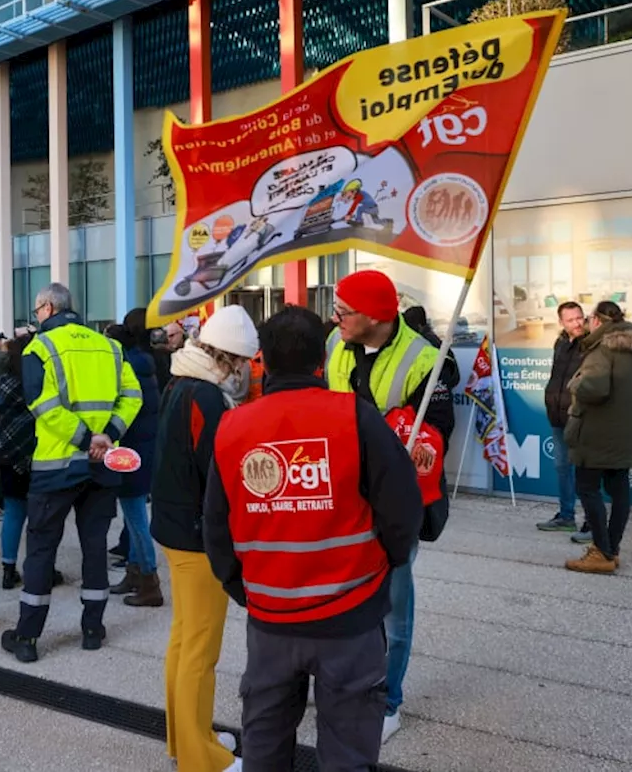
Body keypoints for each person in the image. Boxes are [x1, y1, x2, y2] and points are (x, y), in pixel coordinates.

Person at [205, 306, 424, 771]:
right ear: (322, 363)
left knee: (264, 742)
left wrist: (242, 589)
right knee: (347, 750)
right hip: (350, 616)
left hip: (269, 620)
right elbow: (403, 509)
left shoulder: (233, 427)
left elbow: (215, 527)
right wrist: (387, 565)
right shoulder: (356, 418)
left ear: (262, 358)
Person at [325, 269, 456, 744]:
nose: (334, 317)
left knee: (393, 606)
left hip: (398, 500)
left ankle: (388, 702)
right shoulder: (334, 345)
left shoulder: (425, 359)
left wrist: (397, 439)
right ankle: (346, 686)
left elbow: (438, 429)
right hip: (344, 494)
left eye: (343, 310)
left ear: (376, 316)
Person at [0, 282, 143, 664]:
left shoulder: (40, 347)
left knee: (41, 551)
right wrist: (108, 435)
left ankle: (27, 637)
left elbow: (41, 404)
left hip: (56, 467)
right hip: (102, 466)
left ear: (46, 307)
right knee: (95, 548)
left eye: (36, 310)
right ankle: (93, 630)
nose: (36, 317)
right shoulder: (110, 346)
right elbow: (134, 395)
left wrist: (84, 439)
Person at [151, 304, 259, 772]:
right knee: (200, 649)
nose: (244, 373)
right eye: (242, 364)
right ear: (229, 358)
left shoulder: (179, 382)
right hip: (197, 537)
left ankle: (185, 739)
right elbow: (218, 474)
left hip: (174, 528)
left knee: (183, 641)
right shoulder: (208, 399)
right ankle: (202, 760)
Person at [564, 301, 632, 575]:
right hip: (625, 431)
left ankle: (601, 551)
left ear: (598, 321)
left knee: (587, 488)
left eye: (589, 318)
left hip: (598, 433)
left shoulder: (602, 348)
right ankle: (612, 549)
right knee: (619, 489)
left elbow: (595, 388)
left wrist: (575, 381)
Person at [106, 310, 164, 608]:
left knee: (136, 518)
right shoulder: (145, 363)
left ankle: (149, 580)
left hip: (131, 452)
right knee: (133, 515)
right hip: (143, 449)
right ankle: (134, 571)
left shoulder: (126, 368)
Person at [0, 333, 39, 590]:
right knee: (38, 516)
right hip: (37, 452)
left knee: (13, 513)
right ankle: (38, 566)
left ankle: (8, 569)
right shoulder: (38, 383)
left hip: (7, 453)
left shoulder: (3, 383)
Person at [538, 302, 587, 534]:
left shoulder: (590, 344)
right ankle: (567, 516)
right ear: (562, 323)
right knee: (562, 467)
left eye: (579, 318)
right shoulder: (560, 343)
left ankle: (591, 521)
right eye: (571, 320)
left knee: (585, 470)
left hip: (580, 418)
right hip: (558, 416)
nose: (577, 323)